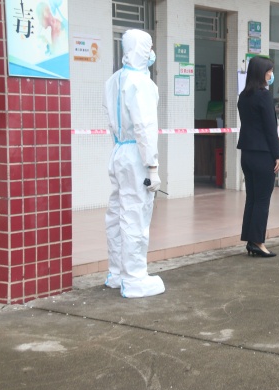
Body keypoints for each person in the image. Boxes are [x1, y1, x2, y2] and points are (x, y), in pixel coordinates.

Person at [102, 29, 165, 297]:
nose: (151, 53)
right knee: (136, 215)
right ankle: (135, 277)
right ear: (141, 49)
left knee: (117, 215)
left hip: (118, 151)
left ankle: (117, 273)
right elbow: (145, 128)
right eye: (148, 47)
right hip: (137, 155)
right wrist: (152, 167)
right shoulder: (142, 83)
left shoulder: (113, 80)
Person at [237, 56, 279, 257]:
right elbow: (270, 129)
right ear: (261, 73)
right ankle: (257, 242)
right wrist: (277, 155)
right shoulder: (264, 96)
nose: (271, 75)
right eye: (269, 71)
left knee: (252, 198)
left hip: (247, 154)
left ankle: (250, 239)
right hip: (263, 154)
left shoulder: (243, 96)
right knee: (262, 200)